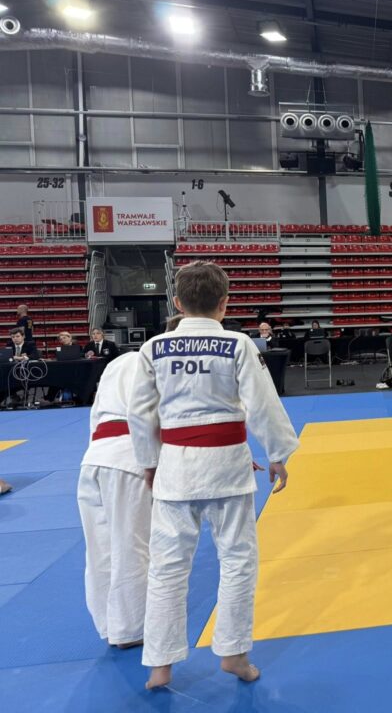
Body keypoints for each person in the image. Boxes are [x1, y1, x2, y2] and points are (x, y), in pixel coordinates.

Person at [128, 261, 299, 690]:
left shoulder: (153, 348)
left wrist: (149, 461)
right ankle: (234, 653)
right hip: (226, 465)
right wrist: (277, 453)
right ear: (224, 303)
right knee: (238, 560)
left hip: (176, 466)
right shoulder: (237, 343)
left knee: (167, 567)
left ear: (177, 303)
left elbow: (140, 413)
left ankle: (160, 664)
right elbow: (262, 402)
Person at [77, 350, 150, 650]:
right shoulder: (154, 363)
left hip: (94, 458)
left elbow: (94, 417)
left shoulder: (114, 366)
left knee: (99, 547)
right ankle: (131, 628)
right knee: (131, 544)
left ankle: (107, 624)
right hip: (130, 455)